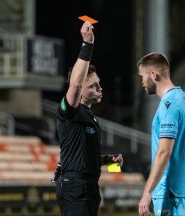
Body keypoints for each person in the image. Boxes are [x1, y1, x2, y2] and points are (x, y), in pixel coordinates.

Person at [55, 21, 123, 216]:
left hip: (87, 187)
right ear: (80, 89)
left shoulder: (89, 116)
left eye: (99, 84)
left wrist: (109, 161)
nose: (100, 88)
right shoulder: (70, 112)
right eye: (93, 85)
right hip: (75, 188)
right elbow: (75, 85)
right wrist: (87, 44)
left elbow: (87, 159)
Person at [137, 52, 185, 216]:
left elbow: (164, 152)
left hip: (170, 191)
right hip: (182, 188)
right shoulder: (183, 98)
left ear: (153, 75)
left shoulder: (169, 105)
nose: (141, 81)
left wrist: (147, 192)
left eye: (142, 76)